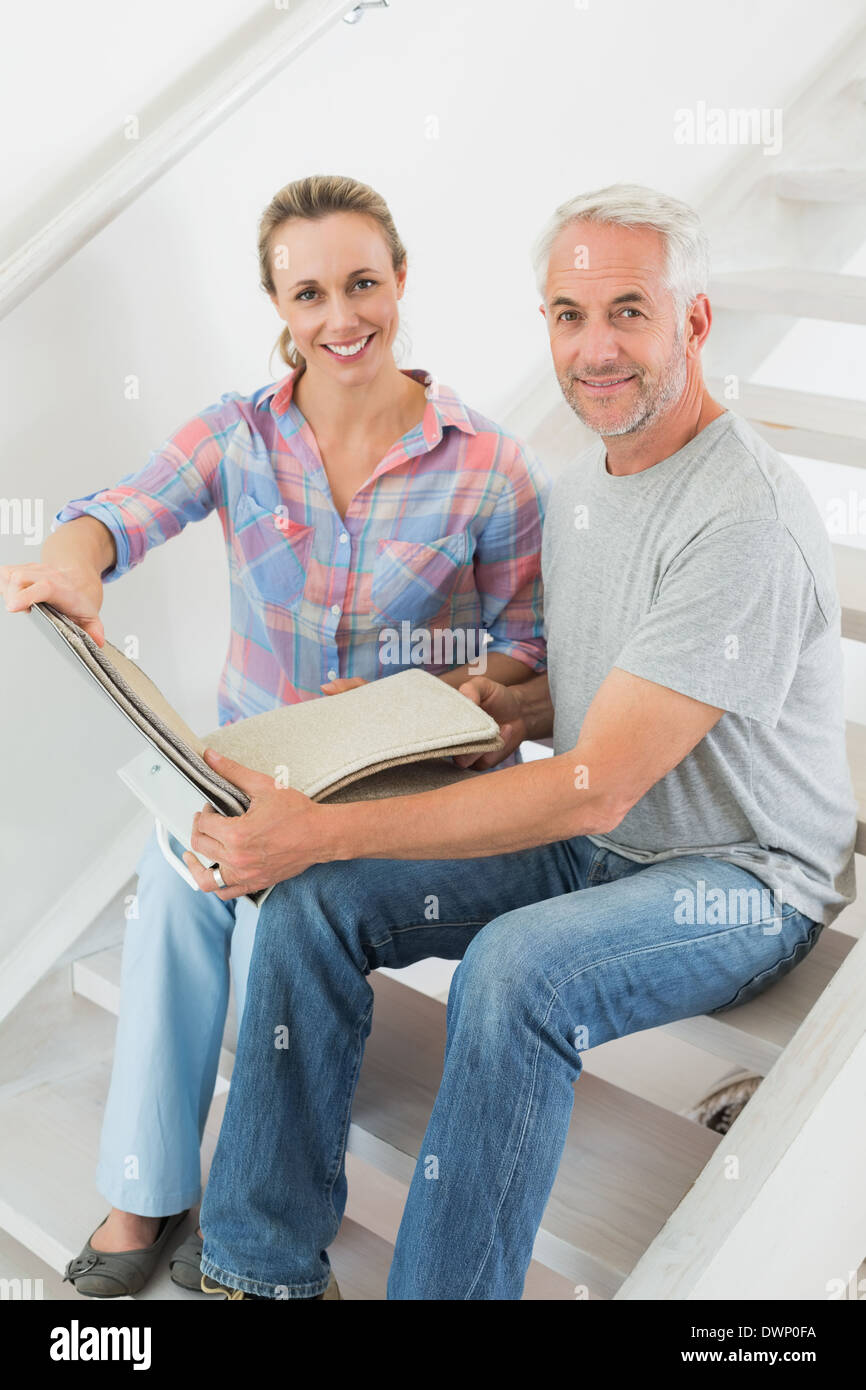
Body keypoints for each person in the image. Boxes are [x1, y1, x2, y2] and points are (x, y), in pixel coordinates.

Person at [180, 184, 858, 1301]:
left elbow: (592, 788)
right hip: (610, 836)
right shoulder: (588, 483)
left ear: (691, 323)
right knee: (314, 900)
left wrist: (321, 825)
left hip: (734, 876)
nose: (593, 349)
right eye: (565, 314)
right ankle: (257, 1265)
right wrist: (476, 703)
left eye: (626, 312)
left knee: (511, 971)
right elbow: (595, 693)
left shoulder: (738, 517)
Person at [0, 174, 549, 1298]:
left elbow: (529, 653)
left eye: (362, 284)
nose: (341, 317)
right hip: (251, 772)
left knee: (277, 930)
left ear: (401, 282)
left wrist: (465, 696)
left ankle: (250, 1193)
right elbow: (117, 512)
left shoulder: (485, 463)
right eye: (311, 293)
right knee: (177, 884)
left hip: (390, 796)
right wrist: (71, 564)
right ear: (278, 305)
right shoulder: (237, 433)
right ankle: (145, 1190)